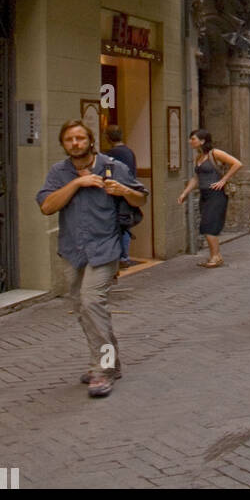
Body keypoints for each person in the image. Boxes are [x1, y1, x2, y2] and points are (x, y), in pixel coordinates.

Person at [36, 120, 147, 398]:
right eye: (69, 140)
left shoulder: (112, 167)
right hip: (73, 250)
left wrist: (125, 191)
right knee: (85, 308)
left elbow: (141, 199)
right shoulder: (58, 172)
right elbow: (47, 206)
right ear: (63, 144)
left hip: (105, 248)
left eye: (80, 138)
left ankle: (102, 368)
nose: (75, 144)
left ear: (90, 141)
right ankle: (111, 361)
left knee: (92, 300)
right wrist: (77, 182)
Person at [177, 129, 242, 267]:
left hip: (216, 195)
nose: (190, 141)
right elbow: (196, 178)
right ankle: (215, 256)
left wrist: (223, 180)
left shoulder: (215, 153)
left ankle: (215, 257)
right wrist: (185, 193)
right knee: (206, 225)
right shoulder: (198, 158)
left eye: (193, 139)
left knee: (209, 225)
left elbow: (237, 163)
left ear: (202, 141)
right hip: (204, 194)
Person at [105, 125, 136, 267]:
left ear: (108, 137)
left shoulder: (112, 154)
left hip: (118, 194)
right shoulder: (129, 151)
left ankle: (123, 257)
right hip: (128, 192)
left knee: (121, 225)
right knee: (125, 225)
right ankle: (124, 256)